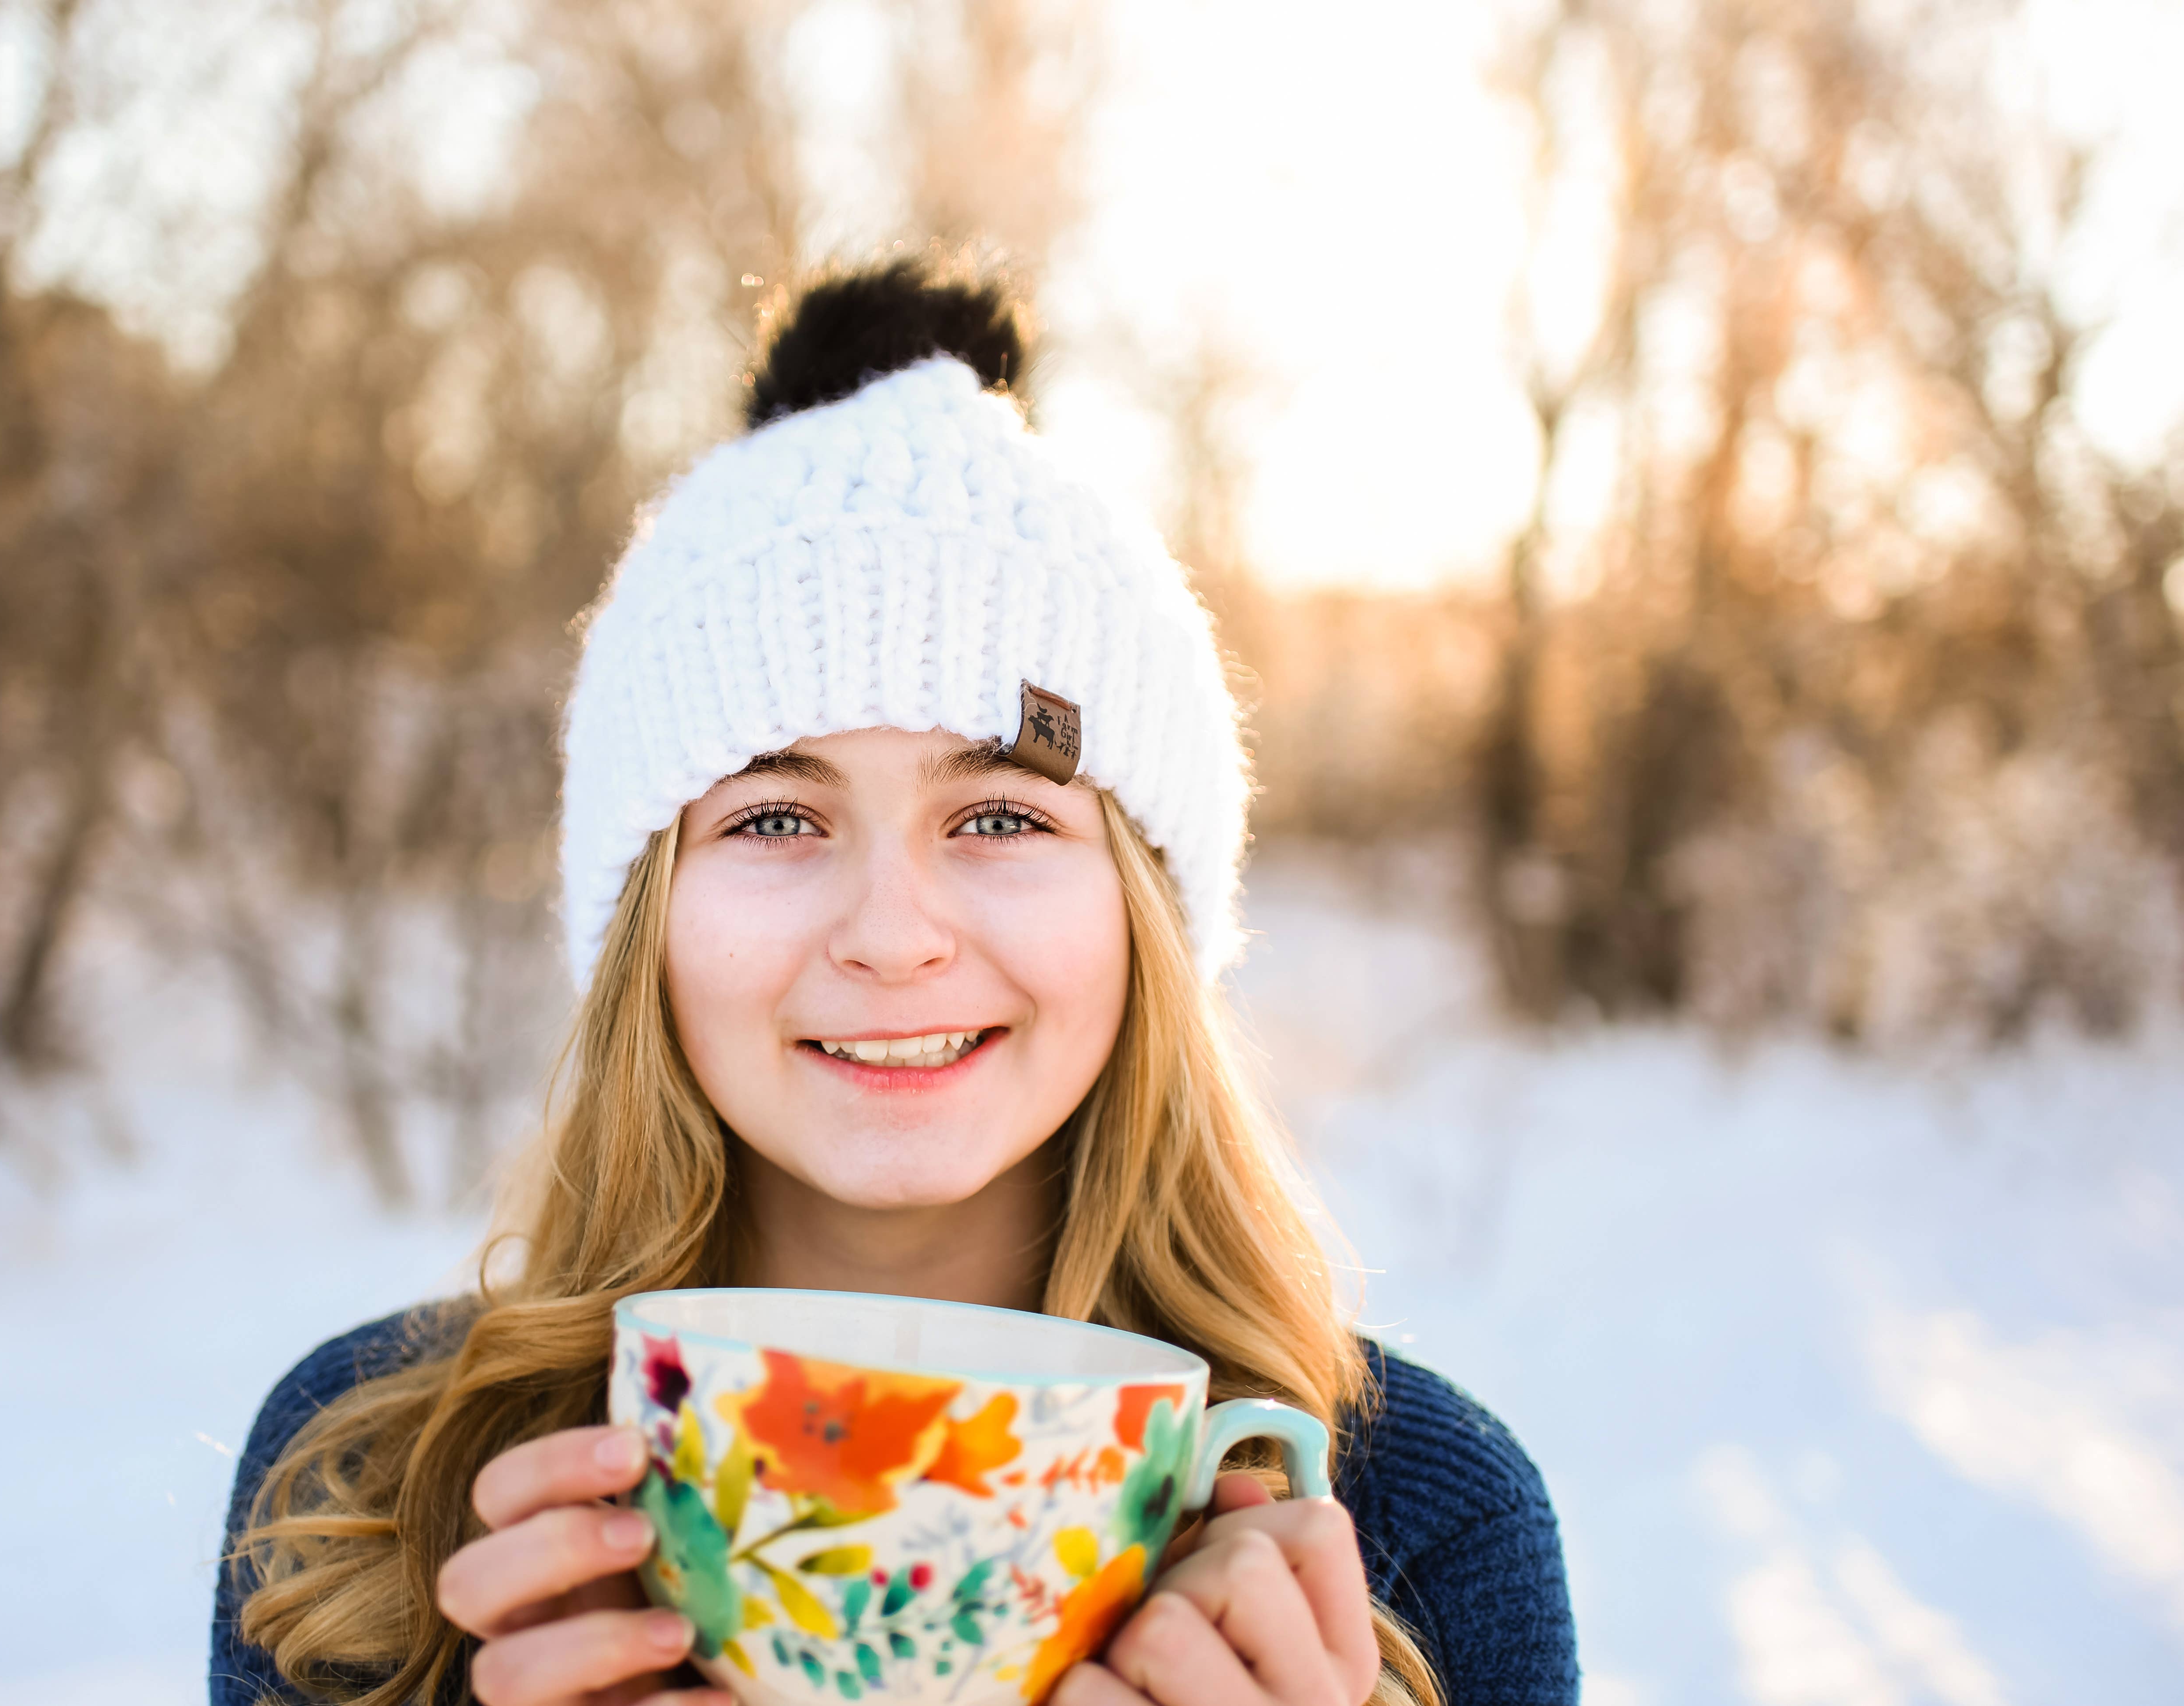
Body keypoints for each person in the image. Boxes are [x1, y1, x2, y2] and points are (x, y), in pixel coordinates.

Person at [211, 257, 1579, 1706]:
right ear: (644, 926)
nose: (891, 933)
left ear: (1143, 916)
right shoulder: (368, 1489)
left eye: (1001, 816)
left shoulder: (1422, 1532)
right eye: (775, 818)